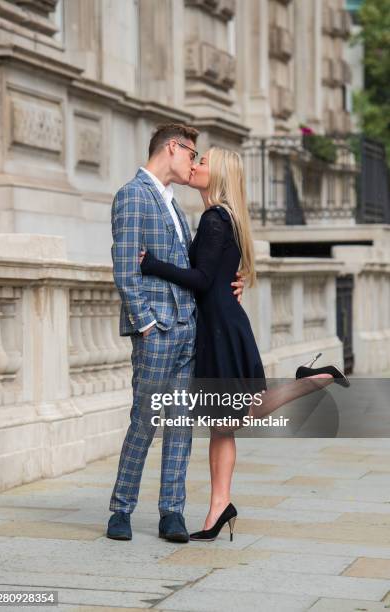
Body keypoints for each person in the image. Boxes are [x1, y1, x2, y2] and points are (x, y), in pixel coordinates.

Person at [140, 147, 350, 542]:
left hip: (220, 329)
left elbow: (201, 280)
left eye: (203, 163)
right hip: (222, 325)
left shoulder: (215, 219)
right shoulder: (224, 218)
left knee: (233, 418)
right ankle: (219, 506)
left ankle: (312, 380)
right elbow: (214, 276)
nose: (196, 165)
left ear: (216, 174)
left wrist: (151, 265)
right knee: (227, 423)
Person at [107, 125, 244, 543]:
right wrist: (145, 323)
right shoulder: (132, 196)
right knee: (145, 420)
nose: (194, 162)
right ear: (173, 148)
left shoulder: (177, 207)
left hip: (189, 329)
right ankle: (122, 509)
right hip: (157, 331)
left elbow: (194, 270)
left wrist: (230, 281)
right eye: (192, 154)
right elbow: (126, 267)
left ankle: (172, 512)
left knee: (181, 424)